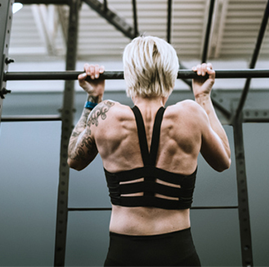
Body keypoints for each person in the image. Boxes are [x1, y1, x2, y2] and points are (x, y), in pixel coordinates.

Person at [67, 35, 231, 267]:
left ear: (129, 74)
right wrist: (203, 96)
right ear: (171, 75)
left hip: (124, 253)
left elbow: (74, 159)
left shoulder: (105, 115)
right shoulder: (191, 114)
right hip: (178, 251)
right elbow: (224, 160)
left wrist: (93, 98)